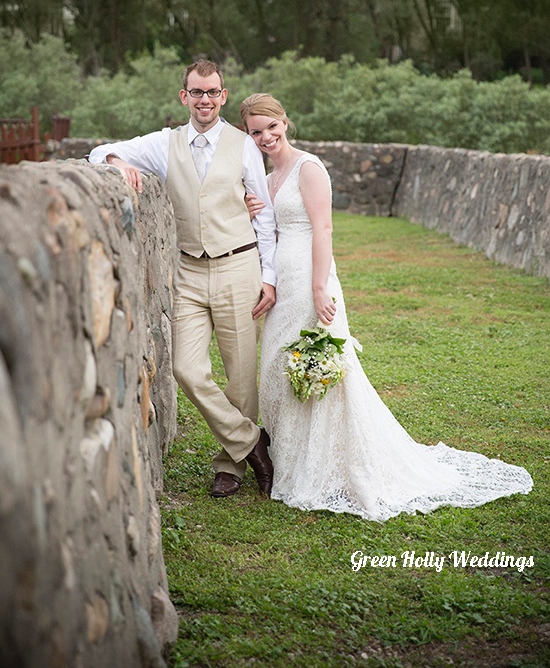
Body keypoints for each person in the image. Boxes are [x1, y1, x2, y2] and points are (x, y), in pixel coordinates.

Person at [240, 92, 533, 521]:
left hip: (310, 279)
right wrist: (252, 209)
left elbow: (323, 228)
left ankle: (334, 466)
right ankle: (294, 459)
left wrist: (321, 287)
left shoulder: (308, 167)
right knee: (280, 368)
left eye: (271, 127)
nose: (266, 137)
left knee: (324, 370)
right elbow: (270, 231)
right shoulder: (269, 179)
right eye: (256, 132)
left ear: (285, 123)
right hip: (283, 283)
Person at [88, 61, 277, 499]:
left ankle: (230, 466)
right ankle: (253, 443)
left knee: (240, 376)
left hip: (238, 265)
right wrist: (117, 161)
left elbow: (263, 215)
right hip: (189, 270)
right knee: (185, 368)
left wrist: (269, 276)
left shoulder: (244, 145)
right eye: (197, 92)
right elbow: (99, 153)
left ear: (223, 96)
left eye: (212, 92)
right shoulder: (163, 143)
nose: (205, 100)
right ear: (184, 96)